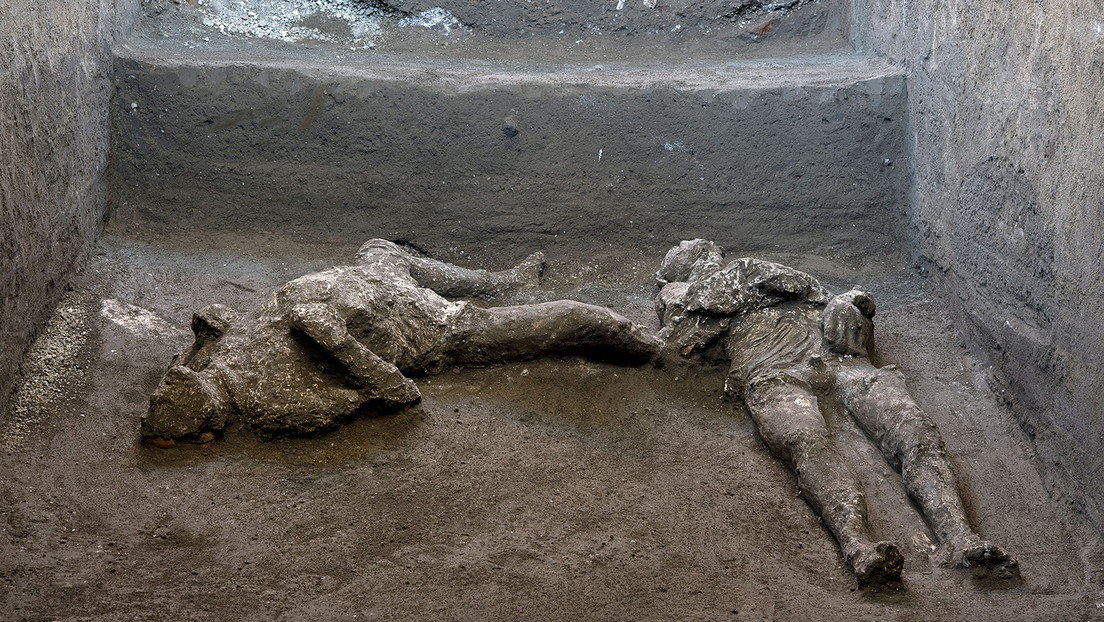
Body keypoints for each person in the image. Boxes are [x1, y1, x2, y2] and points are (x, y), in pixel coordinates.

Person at [654, 239, 1017, 585]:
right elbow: (670, 348)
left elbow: (839, 300)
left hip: (841, 360)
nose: (693, 245)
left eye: (698, 246)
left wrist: (854, 302)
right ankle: (858, 545)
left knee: (915, 431)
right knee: (807, 442)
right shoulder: (679, 297)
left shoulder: (768, 273)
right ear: (671, 273)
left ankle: (960, 537)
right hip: (773, 372)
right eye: (682, 250)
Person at [141, 239, 660, 444]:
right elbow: (399, 394)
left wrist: (201, 347)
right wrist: (336, 342)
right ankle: (666, 348)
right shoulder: (273, 406)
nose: (192, 374)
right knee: (573, 318)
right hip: (426, 329)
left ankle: (502, 282)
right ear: (213, 414)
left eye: (187, 375)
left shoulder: (214, 363)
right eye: (194, 384)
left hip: (370, 282)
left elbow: (210, 319)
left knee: (384, 248)